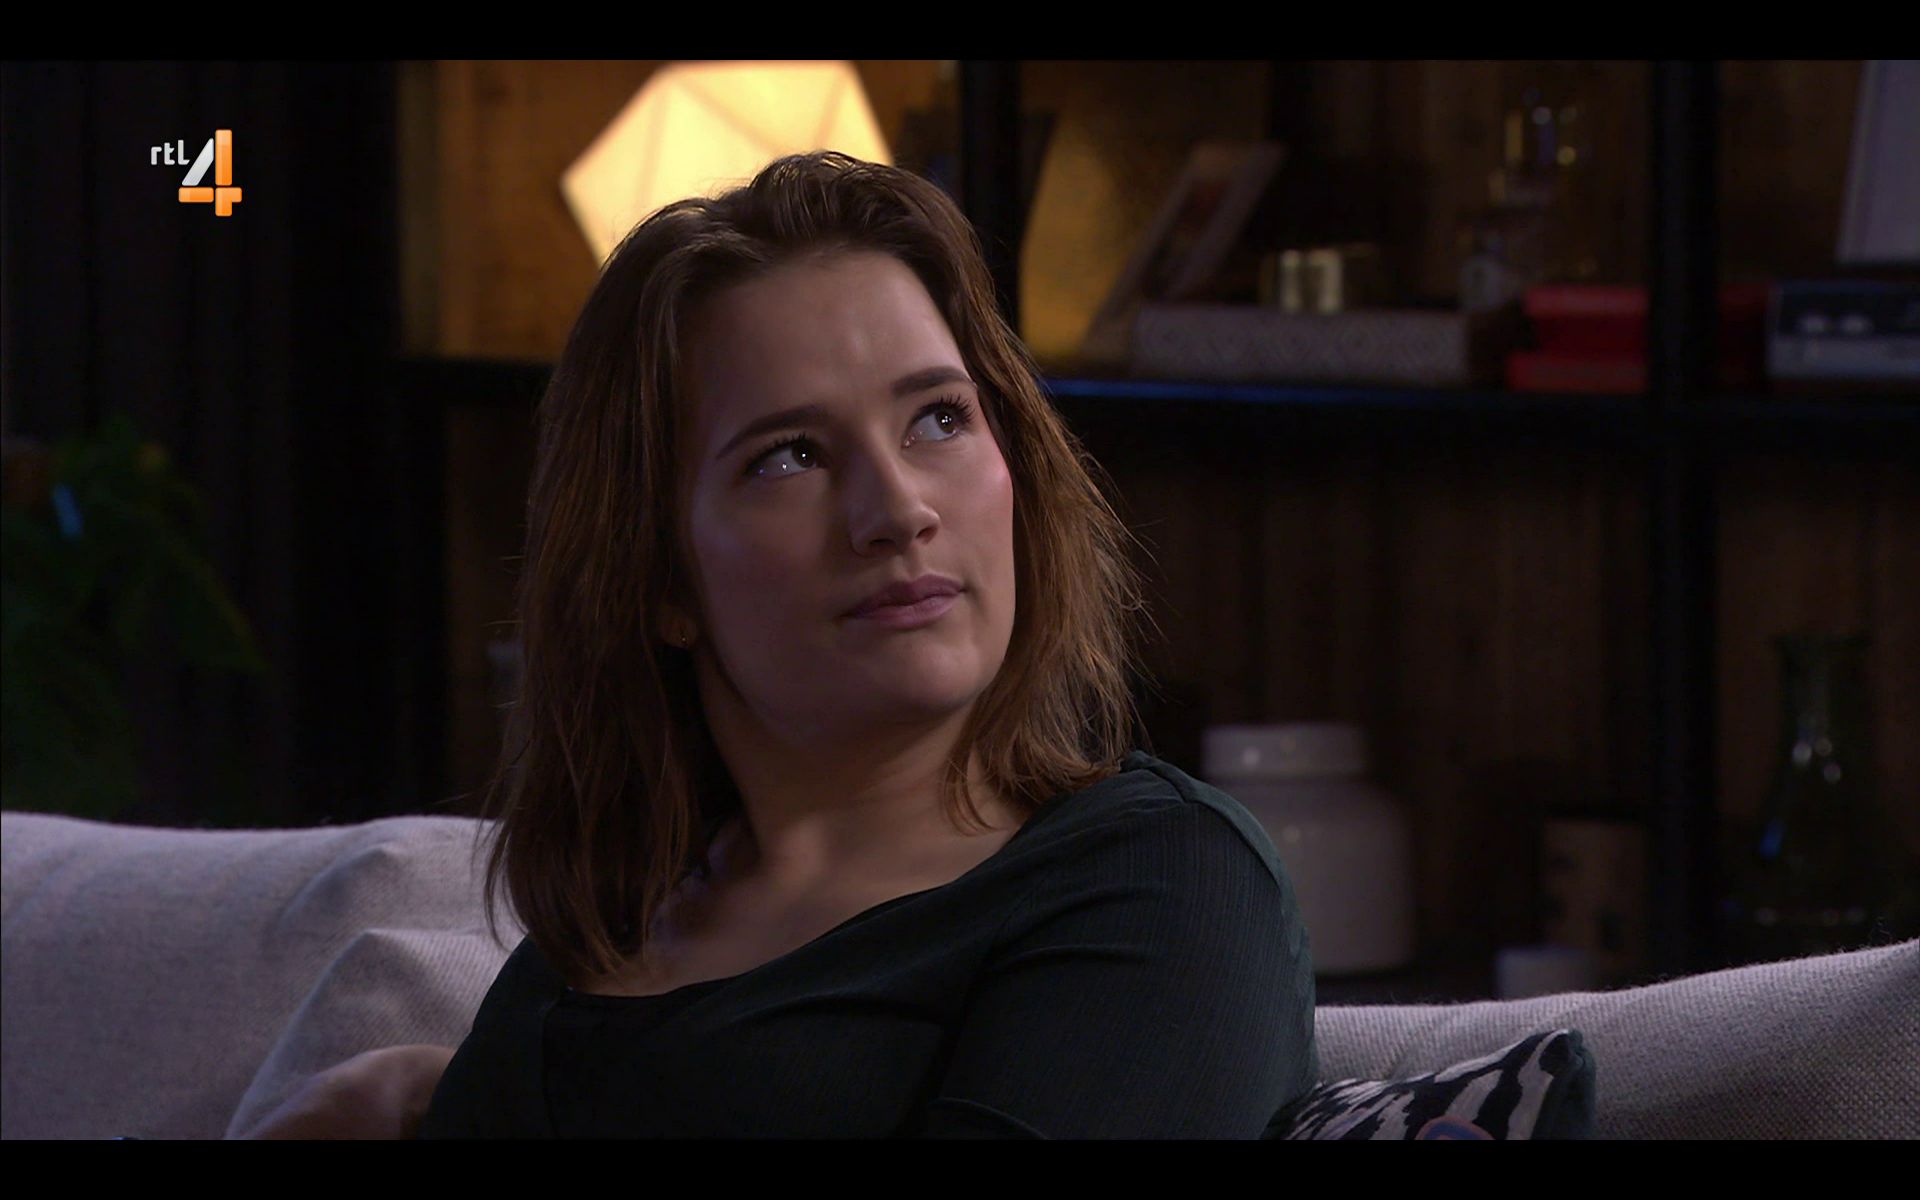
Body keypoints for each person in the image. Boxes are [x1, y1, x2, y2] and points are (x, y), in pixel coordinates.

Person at [259, 150, 1318, 1139]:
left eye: (939, 418)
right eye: (791, 456)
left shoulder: (1159, 878)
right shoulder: (596, 942)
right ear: (660, 577)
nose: (896, 511)